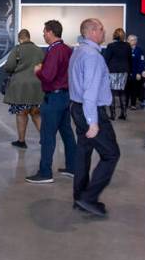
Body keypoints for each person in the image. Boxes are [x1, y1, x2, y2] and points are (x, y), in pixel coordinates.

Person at [68, 18, 120, 217]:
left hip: (77, 108)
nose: (104, 31)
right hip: (90, 110)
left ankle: (79, 197)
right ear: (91, 32)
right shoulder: (92, 56)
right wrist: (93, 122)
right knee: (111, 154)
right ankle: (88, 198)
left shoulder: (79, 51)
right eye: (101, 29)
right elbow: (90, 91)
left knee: (83, 152)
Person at [26, 19, 78, 184]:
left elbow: (48, 75)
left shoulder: (55, 51)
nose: (43, 34)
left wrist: (38, 71)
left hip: (54, 97)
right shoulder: (67, 49)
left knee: (47, 135)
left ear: (50, 32)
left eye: (44, 31)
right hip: (65, 96)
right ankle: (73, 167)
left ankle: (45, 172)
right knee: (67, 133)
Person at [3, 29, 45, 149]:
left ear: (19, 39)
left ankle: (21, 141)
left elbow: (9, 66)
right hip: (37, 86)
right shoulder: (39, 50)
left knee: (21, 114)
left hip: (20, 87)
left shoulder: (17, 49)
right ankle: (45, 139)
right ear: (29, 37)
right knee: (36, 114)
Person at [103, 28, 132, 120]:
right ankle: (123, 114)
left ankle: (113, 114)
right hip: (124, 70)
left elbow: (106, 59)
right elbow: (130, 59)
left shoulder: (111, 46)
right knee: (123, 92)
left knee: (111, 92)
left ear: (114, 35)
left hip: (113, 71)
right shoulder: (127, 45)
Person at [126, 34, 145, 109]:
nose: (129, 41)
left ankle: (133, 104)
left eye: (131, 40)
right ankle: (125, 104)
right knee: (126, 89)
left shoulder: (139, 50)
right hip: (127, 73)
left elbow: (141, 62)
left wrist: (139, 73)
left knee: (134, 89)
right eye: (128, 40)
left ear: (135, 41)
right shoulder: (125, 49)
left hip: (135, 73)